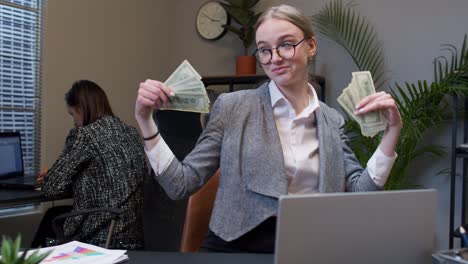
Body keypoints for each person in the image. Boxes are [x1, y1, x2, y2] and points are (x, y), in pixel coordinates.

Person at [134, 4, 402, 253]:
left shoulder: (332, 120)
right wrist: (146, 121)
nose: (274, 58)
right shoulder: (232, 107)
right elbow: (180, 185)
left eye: (286, 45)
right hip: (235, 250)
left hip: (308, 250)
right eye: (264, 49)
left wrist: (391, 133)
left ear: (310, 46)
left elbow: (359, 192)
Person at [39, 80, 147, 249]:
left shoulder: (85, 135)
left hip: (101, 236)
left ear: (81, 109)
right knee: (53, 213)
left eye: (72, 114)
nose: (74, 121)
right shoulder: (130, 132)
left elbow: (51, 187)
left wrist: (53, 177)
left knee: (50, 220)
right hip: (133, 233)